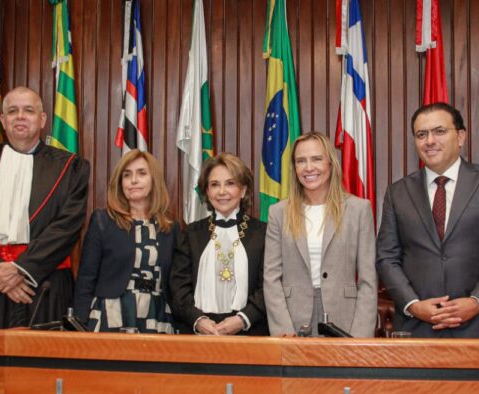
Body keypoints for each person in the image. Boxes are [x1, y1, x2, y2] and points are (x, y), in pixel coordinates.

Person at [376, 102, 479, 338]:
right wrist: (413, 305)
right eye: (421, 134)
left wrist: (477, 301)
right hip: (418, 329)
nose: (430, 141)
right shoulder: (397, 192)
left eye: (439, 131)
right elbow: (386, 257)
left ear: (461, 136)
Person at [0, 86, 90, 328]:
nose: (20, 116)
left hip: (44, 286)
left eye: (29, 110)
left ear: (42, 119)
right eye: (13, 111)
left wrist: (22, 269)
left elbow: (67, 226)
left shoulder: (70, 167)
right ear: (3, 120)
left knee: (44, 362)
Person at [263, 131, 377, 337]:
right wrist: (283, 332)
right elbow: (271, 278)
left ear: (330, 164)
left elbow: (368, 280)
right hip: (293, 319)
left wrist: (360, 337)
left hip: (345, 318)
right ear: (294, 168)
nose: (309, 168)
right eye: (301, 161)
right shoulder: (278, 212)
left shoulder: (358, 210)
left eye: (317, 159)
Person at [73, 150, 177, 333]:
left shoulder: (170, 227)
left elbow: (174, 282)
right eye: (127, 175)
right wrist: (78, 326)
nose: (133, 180)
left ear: (155, 181)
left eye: (142, 173)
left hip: (156, 314)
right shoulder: (103, 221)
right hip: (111, 313)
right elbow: (86, 278)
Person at [169, 153, 268, 335]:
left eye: (230, 183)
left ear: (244, 190)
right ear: (207, 191)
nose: (222, 192)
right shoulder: (190, 234)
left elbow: (269, 286)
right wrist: (198, 320)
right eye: (215, 185)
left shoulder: (263, 234)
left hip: (250, 333)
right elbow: (178, 287)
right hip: (198, 334)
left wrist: (242, 319)